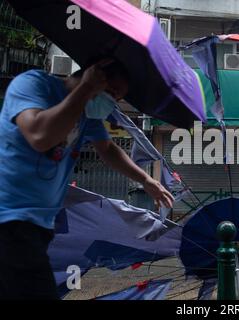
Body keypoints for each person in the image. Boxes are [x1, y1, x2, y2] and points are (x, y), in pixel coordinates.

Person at [0, 58, 174, 300]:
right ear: (93, 75)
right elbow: (39, 135)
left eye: (117, 99)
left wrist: (146, 180)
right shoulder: (34, 84)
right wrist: (85, 89)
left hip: (39, 225)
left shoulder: (87, 116)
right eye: (112, 92)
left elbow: (108, 149)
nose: (112, 102)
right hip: (10, 218)